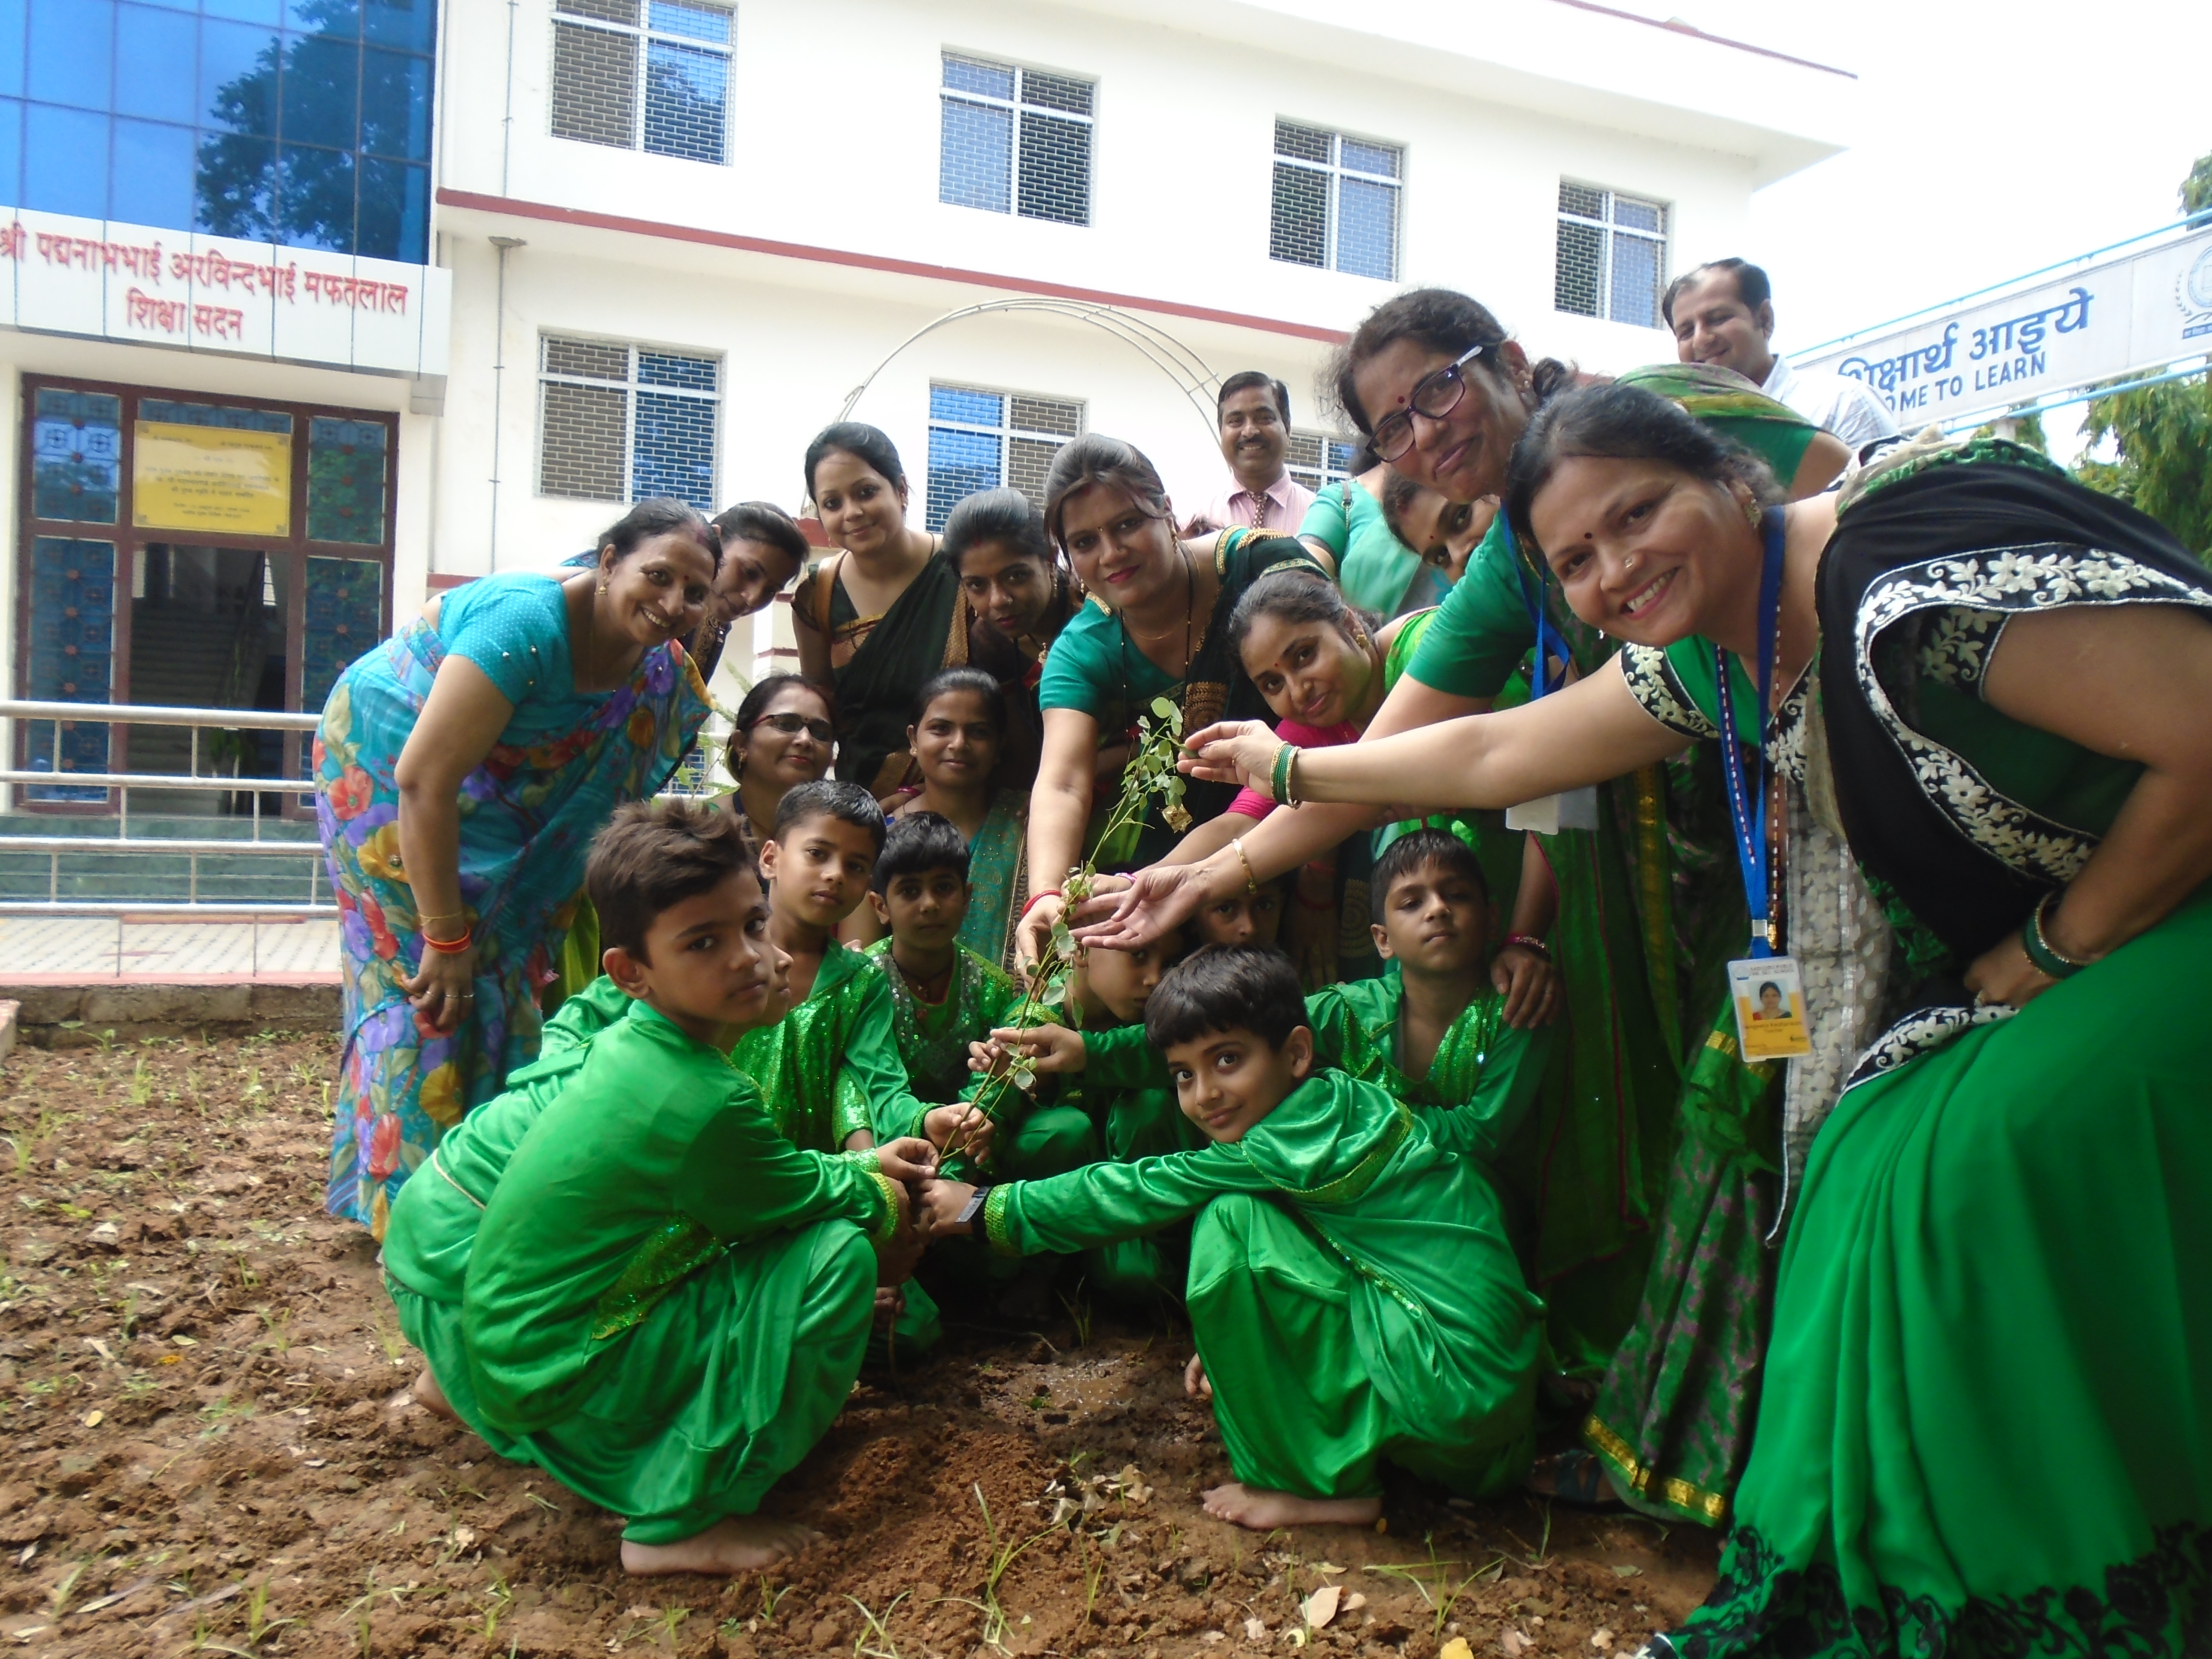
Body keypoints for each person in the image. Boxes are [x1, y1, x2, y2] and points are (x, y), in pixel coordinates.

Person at [1178, 388, 2212, 1652]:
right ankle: (1886, 1550)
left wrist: (2054, 946)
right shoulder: (1711, 659)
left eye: (1637, 512)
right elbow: (1500, 755)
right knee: (1848, 1161)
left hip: (2160, 904)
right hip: (1901, 961)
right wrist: (1286, 771)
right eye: (1575, 560)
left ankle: (2055, 1570)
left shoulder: (1899, 577)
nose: (1615, 569)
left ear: (1731, 477)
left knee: (1974, 1162)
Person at [1080, 296, 1850, 1394]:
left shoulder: (1648, 415)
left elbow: (1831, 484)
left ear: (1513, 363)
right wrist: (1197, 877)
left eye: (1438, 384)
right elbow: (1391, 767)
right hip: (1623, 879)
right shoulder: (1509, 566)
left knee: (1782, 1095)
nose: (1426, 430)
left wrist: (1802, 696)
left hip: (1794, 820)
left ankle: (1790, 1391)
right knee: (1680, 1112)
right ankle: (1682, 1395)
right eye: (1392, 425)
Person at [434, 799, 937, 1576]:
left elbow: (804, 1155)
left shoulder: (649, 1045)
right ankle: (679, 1519)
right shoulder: (703, 1096)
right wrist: (885, 1196)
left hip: (509, 1344)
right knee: (835, 1256)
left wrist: (865, 1162)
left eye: (749, 925)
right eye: (703, 942)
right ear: (631, 972)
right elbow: (796, 1195)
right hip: (562, 1373)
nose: (745, 957)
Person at [924, 945, 1544, 1529]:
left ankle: (1307, 1489)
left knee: (1229, 1220)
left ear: (1297, 1053)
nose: (1206, 1095)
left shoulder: (1283, 1144)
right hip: (1493, 1423)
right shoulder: (1338, 1104)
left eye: (1227, 1060)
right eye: (1183, 1076)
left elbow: (1129, 1190)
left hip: (1447, 1401)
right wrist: (1244, 1341)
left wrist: (983, 1208)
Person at [317, 497, 719, 1237]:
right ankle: (406, 1212)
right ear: (607, 562)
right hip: (386, 764)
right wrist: (441, 934)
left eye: (694, 592)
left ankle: (478, 1177)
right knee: (427, 982)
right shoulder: (523, 625)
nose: (672, 604)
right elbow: (423, 779)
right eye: (656, 576)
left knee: (499, 960)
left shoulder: (656, 665)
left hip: (494, 782)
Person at [1021, 434, 1330, 964]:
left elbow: (1328, 707)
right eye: (1084, 542)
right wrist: (1047, 892)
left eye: (1126, 525)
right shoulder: (1083, 646)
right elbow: (1063, 780)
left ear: (1166, 511)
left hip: (1316, 815)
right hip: (1168, 876)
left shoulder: (1261, 566)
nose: (1111, 554)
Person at [792, 424, 972, 796]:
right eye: (832, 503)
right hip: (860, 806)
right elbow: (821, 713)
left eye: (866, 492)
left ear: (902, 491)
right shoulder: (818, 595)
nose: (852, 512)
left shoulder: (963, 573)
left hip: (960, 796)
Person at [1664, 258, 1899, 452]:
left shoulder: (1843, 403)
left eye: (1718, 319)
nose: (1701, 339)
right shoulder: (1682, 435)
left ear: (1765, 319)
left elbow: (1887, 503)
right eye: (1686, 332)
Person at [881, 669, 1030, 969]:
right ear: (913, 738)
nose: (959, 744)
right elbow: (861, 949)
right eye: (941, 729)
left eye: (978, 732)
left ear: (1000, 745)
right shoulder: (883, 833)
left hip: (1017, 1010)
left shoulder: (1029, 820)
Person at [947, 487, 1084, 792]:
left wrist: (1055, 787)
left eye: (1016, 576)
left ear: (1050, 557)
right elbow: (1022, 754)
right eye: (977, 585)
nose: (998, 601)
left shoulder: (1096, 618)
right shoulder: (989, 640)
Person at [722, 675, 837, 849]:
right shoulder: (697, 830)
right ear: (742, 744)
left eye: (820, 733)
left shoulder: (840, 834)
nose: (805, 740)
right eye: (786, 724)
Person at [1193, 372, 1316, 534]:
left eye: (1264, 418)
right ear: (1221, 431)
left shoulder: (1321, 518)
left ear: (1287, 428)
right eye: (1236, 421)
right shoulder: (1194, 522)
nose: (1249, 431)